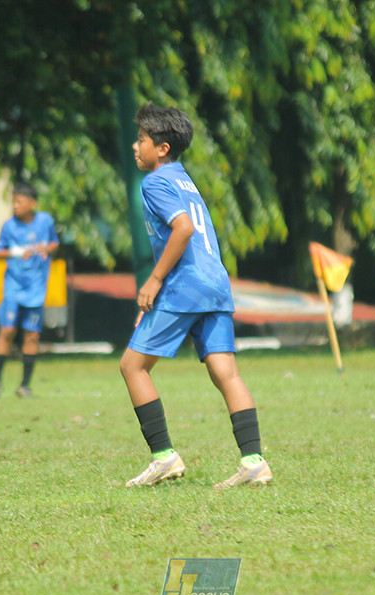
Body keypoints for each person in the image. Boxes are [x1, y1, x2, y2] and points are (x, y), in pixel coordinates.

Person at [120, 102, 273, 489]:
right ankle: (254, 461)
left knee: (132, 366)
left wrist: (154, 281)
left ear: (162, 148)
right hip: (216, 282)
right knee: (226, 373)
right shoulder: (184, 179)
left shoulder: (154, 182)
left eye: (141, 140)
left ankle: (163, 457)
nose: (135, 147)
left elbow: (183, 229)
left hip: (185, 285)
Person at [0, 182, 59, 399]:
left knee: (32, 335)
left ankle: (24, 386)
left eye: (19, 201)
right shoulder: (9, 226)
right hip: (13, 288)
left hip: (36, 289)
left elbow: (54, 243)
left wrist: (46, 249)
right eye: (14, 201)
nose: (15, 206)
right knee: (7, 331)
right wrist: (19, 252)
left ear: (32, 203)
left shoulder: (45, 221)